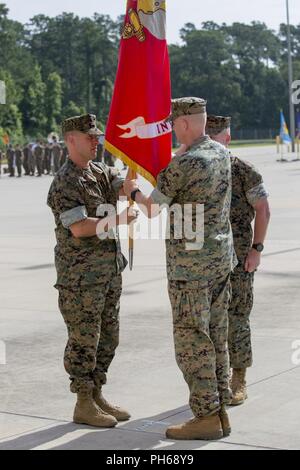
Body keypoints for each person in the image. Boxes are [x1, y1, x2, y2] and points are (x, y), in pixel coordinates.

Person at [124, 97, 237, 440]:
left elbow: (153, 209)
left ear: (186, 123)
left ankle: (205, 416)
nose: (172, 129)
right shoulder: (220, 153)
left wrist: (132, 192)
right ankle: (219, 407)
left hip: (191, 269)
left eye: (174, 123)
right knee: (217, 335)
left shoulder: (185, 162)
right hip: (219, 261)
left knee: (192, 339)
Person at [47, 113, 138, 428]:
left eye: (97, 136)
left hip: (108, 273)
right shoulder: (64, 182)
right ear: (71, 140)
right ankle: (83, 403)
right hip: (81, 279)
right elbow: (80, 229)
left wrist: (135, 160)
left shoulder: (99, 171)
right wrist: (119, 220)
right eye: (90, 137)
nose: (96, 141)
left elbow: (124, 186)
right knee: (84, 339)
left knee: (108, 337)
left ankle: (97, 394)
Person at [206, 115, 271, 405]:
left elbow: (263, 211)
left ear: (227, 139)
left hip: (239, 257)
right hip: (207, 260)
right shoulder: (200, 169)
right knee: (209, 321)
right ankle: (214, 379)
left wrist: (256, 249)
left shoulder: (243, 171)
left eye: (215, 137)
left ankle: (239, 378)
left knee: (238, 317)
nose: (209, 143)